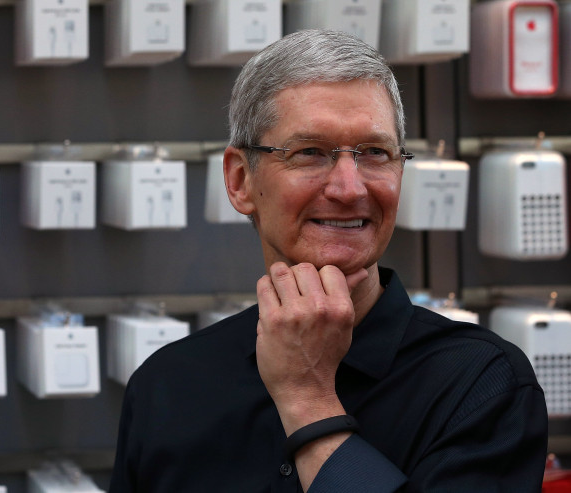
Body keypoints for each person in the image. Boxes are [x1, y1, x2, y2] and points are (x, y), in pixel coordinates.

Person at [109, 30, 548, 492]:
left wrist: (307, 400)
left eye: (374, 153)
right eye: (310, 153)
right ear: (240, 181)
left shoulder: (483, 385)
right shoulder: (169, 385)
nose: (349, 188)